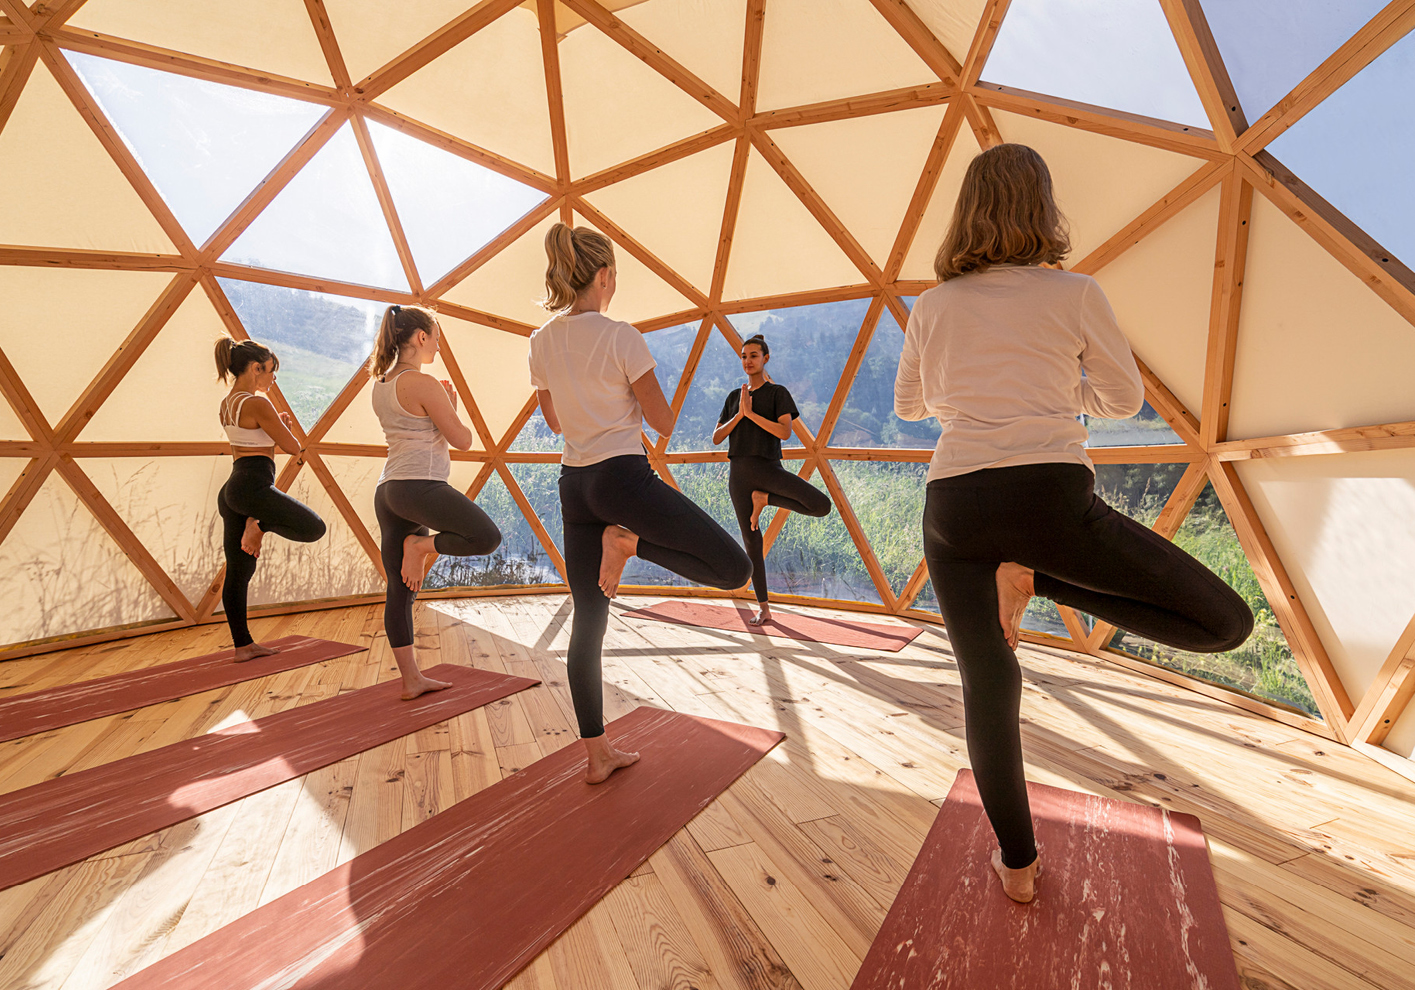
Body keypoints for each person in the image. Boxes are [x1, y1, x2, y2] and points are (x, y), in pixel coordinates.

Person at [895, 144, 1252, 904]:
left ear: (965, 210)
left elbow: (909, 406)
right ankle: (1036, 570)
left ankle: (1016, 868)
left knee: (987, 688)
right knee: (1222, 624)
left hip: (954, 507)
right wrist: (1056, 379)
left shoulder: (932, 305)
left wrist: (971, 387)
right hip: (1049, 499)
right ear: (1042, 209)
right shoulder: (1074, 293)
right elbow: (1122, 402)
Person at [530, 223, 752, 783]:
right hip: (622, 478)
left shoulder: (542, 341)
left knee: (589, 622)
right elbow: (662, 419)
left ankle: (597, 754)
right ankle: (628, 541)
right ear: (605, 276)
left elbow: (553, 420)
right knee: (733, 568)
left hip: (573, 485)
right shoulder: (621, 335)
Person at [369, 304, 502, 700]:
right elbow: (462, 439)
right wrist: (453, 408)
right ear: (420, 337)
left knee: (401, 588)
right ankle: (420, 545)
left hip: (389, 490)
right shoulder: (422, 384)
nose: (439, 347)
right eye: (437, 338)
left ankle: (412, 680)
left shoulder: (381, 383)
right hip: (419, 487)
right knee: (485, 536)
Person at [215, 337, 326, 661]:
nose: (273, 379)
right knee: (313, 527)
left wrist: (276, 428)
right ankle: (259, 525)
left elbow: (251, 444)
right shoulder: (258, 403)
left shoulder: (228, 403)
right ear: (256, 368)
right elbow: (292, 446)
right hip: (252, 487)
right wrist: (284, 427)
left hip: (234, 487)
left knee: (239, 570)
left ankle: (243, 646)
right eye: (271, 372)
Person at [713, 334, 832, 625]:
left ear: (766, 358)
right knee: (752, 542)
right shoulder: (733, 397)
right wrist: (740, 415)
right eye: (743, 356)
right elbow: (717, 437)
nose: (747, 361)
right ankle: (764, 608)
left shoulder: (778, 392)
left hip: (768, 469)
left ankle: (763, 499)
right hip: (739, 473)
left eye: (753, 355)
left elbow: (784, 432)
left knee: (820, 505)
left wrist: (751, 415)